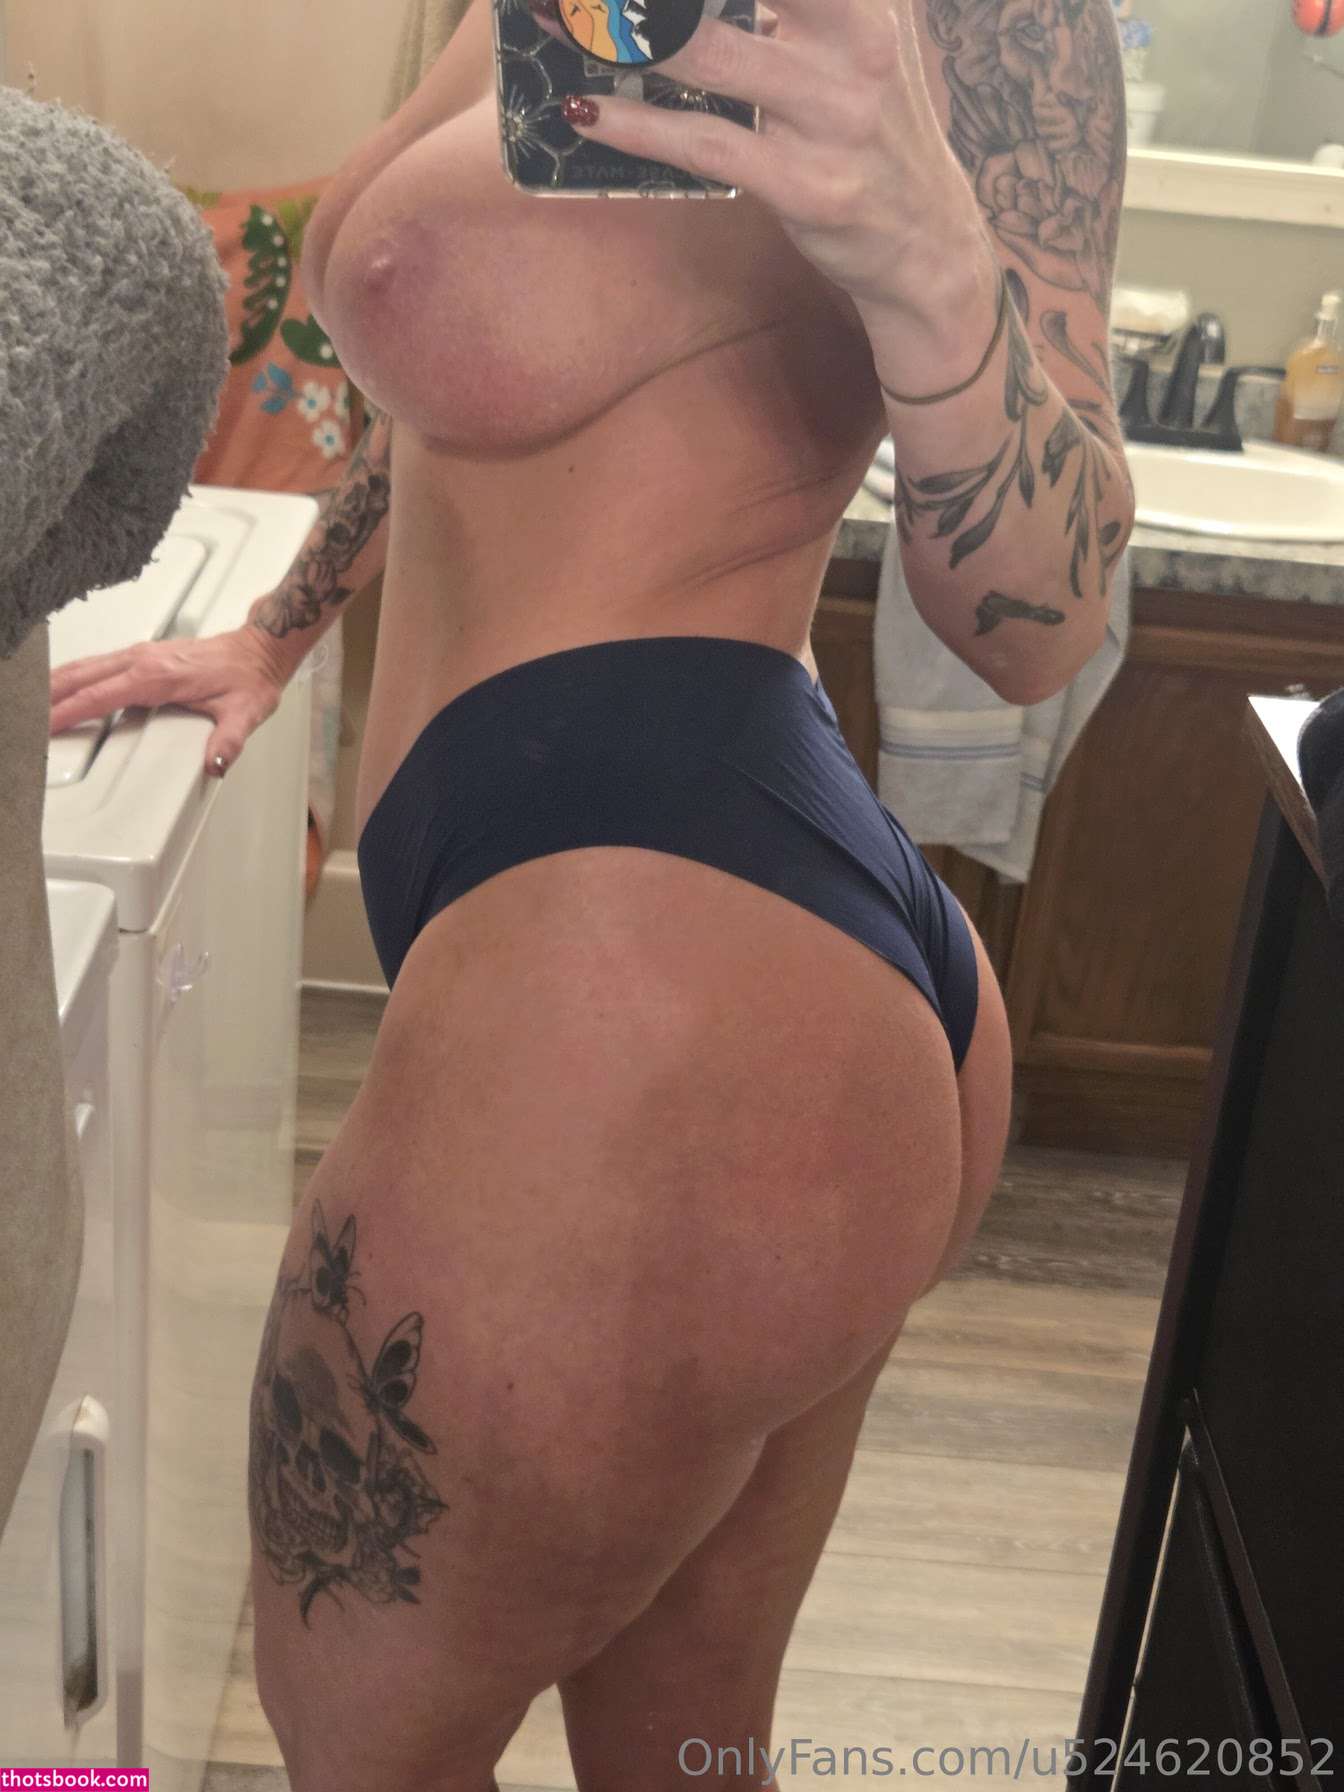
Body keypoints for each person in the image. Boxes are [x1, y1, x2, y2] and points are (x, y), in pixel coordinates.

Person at [51, 0, 1133, 1786]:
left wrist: (935, 264)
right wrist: (275, 629)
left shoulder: (989, 23)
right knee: (686, 1755)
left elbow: (1046, 622)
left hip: (664, 1005)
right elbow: (464, 380)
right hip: (680, 953)